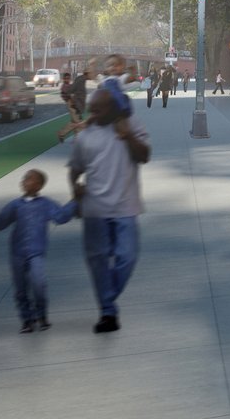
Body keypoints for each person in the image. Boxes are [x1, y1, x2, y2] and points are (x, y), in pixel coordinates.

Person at [67, 67, 150, 334]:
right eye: (92, 110)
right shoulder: (86, 136)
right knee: (98, 261)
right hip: (95, 211)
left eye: (99, 110)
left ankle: (107, 296)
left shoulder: (132, 126)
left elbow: (144, 155)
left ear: (114, 108)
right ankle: (107, 312)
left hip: (126, 207)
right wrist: (75, 190)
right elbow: (75, 170)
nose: (93, 115)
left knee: (127, 258)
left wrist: (127, 137)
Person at [0, 169, 79, 333]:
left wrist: (75, 201)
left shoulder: (46, 204)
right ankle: (27, 320)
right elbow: (1, 222)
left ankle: (41, 315)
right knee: (20, 289)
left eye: (29, 179)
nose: (24, 181)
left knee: (39, 284)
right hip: (17, 253)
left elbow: (61, 217)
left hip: (36, 252)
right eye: (24, 178)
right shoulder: (14, 205)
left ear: (39, 185)